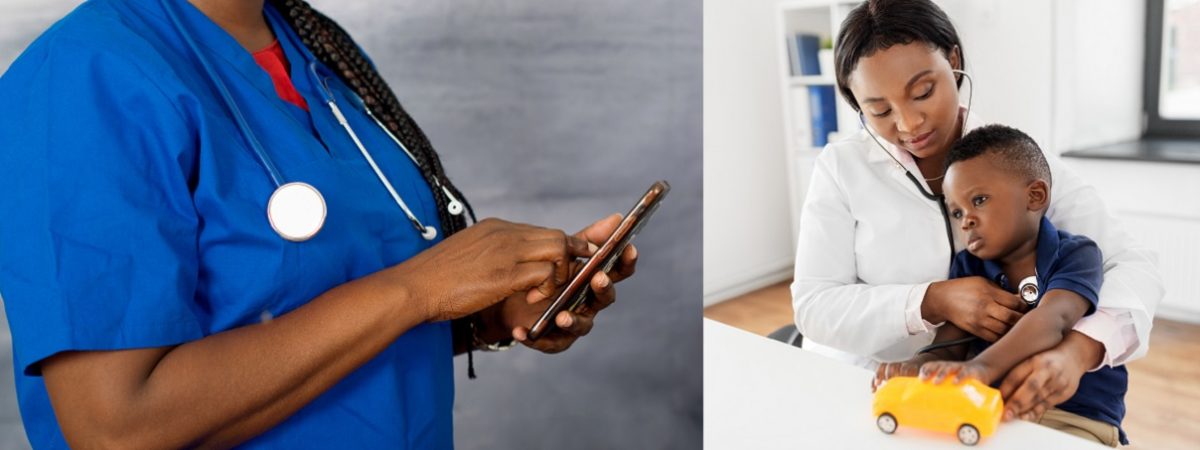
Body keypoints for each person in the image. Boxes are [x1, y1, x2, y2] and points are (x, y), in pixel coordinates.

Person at [0, 0, 638, 448]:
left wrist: (490, 314)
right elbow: (118, 427)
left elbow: (327, 305)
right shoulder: (84, 77)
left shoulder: (316, 47)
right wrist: (420, 288)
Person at [790, 0, 1161, 424]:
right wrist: (932, 300)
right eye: (880, 110)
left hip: (979, 391)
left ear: (953, 60)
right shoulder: (840, 168)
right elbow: (814, 305)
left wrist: (1081, 347)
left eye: (923, 92)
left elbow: (1132, 266)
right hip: (864, 381)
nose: (909, 124)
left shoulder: (1013, 160)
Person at [873, 125, 1127, 446]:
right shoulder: (967, 266)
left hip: (1076, 416)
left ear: (1034, 196)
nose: (965, 220)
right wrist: (919, 366)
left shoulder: (1076, 253)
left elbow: (1053, 320)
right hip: (991, 412)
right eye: (956, 211)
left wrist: (981, 367)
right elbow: (950, 346)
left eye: (978, 200)